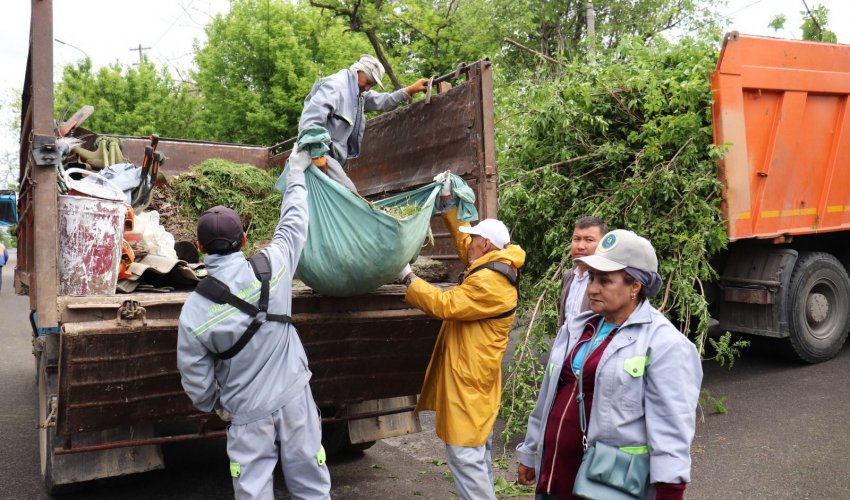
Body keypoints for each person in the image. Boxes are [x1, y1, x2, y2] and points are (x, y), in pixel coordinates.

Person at [177, 149, 331, 500]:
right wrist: (295, 172)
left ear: (200, 248)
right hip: (296, 399)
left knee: (253, 491)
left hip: (246, 414)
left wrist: (216, 404)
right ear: (244, 240)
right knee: (312, 486)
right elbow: (294, 221)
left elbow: (196, 380)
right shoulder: (274, 267)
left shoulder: (194, 311)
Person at [515, 229, 702, 500]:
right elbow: (547, 399)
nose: (592, 288)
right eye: (592, 278)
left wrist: (670, 492)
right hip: (556, 475)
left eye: (605, 280)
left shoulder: (665, 344)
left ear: (635, 286)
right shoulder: (578, 329)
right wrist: (531, 452)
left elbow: (672, 426)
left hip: (607, 485)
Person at [396, 184, 526, 500]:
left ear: (487, 246)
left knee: (465, 455)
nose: (469, 245)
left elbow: (446, 305)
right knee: (474, 454)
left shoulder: (489, 283)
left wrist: (408, 278)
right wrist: (448, 208)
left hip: (470, 386)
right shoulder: (494, 261)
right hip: (474, 382)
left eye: (475, 240)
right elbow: (465, 243)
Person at [298, 54, 428, 192]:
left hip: (332, 160)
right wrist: (317, 154)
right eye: (368, 81)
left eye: (371, 85)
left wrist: (409, 90)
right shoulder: (336, 86)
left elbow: (383, 101)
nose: (367, 88)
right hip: (319, 154)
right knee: (349, 195)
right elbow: (311, 118)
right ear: (359, 70)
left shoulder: (358, 95)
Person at [559, 216, 607, 328]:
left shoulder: (607, 281)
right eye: (576, 239)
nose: (580, 246)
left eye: (589, 240)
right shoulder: (569, 276)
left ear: (603, 244)